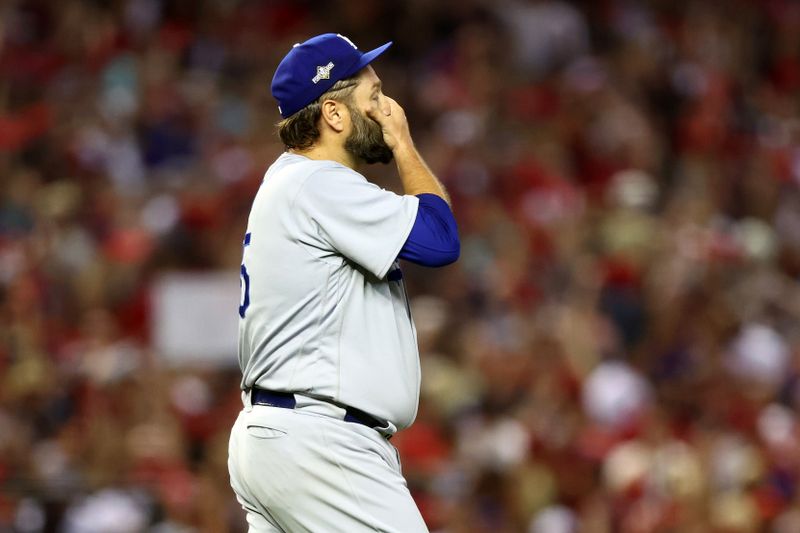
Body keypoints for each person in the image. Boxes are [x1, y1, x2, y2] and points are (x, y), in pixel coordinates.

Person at [227, 33, 459, 533]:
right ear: (334, 113)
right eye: (373, 95)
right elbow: (441, 240)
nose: (387, 109)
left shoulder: (293, 184)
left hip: (283, 436)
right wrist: (403, 144)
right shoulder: (320, 184)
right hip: (321, 442)